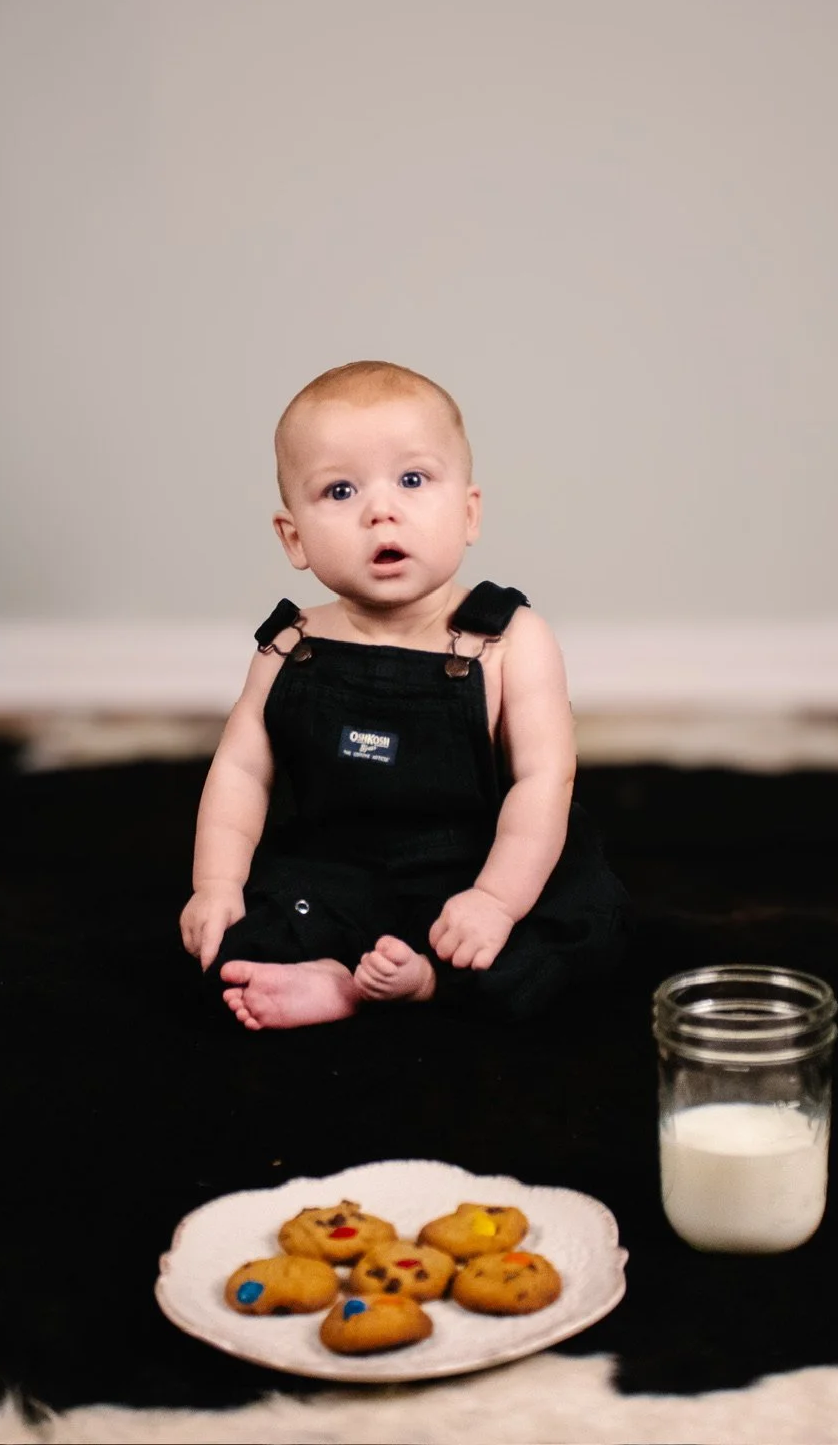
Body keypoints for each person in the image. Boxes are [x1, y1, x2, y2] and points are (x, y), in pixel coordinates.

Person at [179, 359, 628, 1029]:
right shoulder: (289, 644)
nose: (380, 510)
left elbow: (544, 779)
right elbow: (241, 770)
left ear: (469, 512)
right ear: (293, 537)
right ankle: (340, 981)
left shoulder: (508, 641)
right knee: (239, 938)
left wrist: (496, 901)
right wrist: (214, 885)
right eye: (339, 491)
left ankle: (425, 984)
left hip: (477, 862)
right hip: (339, 867)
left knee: (576, 942)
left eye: (413, 480)